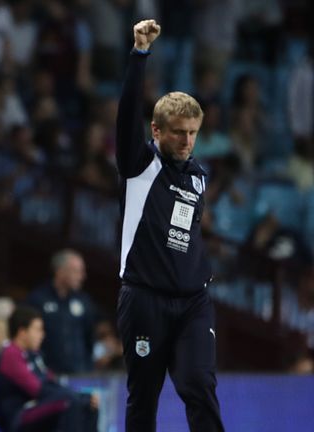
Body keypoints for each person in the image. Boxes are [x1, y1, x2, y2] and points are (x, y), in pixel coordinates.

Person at [115, 20, 224, 431]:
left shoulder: (198, 176)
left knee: (199, 384)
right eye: (179, 133)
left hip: (194, 302)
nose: (187, 141)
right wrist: (139, 54)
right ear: (156, 130)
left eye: (193, 133)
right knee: (143, 398)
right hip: (144, 300)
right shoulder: (139, 165)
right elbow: (127, 116)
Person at [0, 305, 98, 432]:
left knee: (90, 403)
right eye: (38, 330)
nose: (42, 335)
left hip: (37, 407)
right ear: (22, 332)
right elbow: (37, 389)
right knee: (68, 402)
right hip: (18, 415)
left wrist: (82, 397)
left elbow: (51, 382)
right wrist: (74, 397)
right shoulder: (11, 353)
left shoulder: (34, 355)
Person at [26, 249, 99, 374]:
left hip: (80, 374)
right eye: (76, 271)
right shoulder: (38, 299)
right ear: (60, 271)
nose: (82, 276)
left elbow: (90, 337)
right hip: (48, 374)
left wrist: (88, 368)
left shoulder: (84, 301)